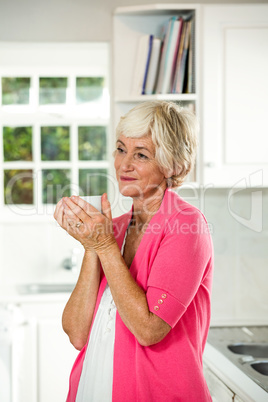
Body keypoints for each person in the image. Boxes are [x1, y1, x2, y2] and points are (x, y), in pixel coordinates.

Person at [54, 101, 214, 402]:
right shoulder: (112, 228)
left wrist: (103, 246)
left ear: (173, 164)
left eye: (141, 154)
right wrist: (92, 246)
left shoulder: (187, 226)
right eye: (120, 149)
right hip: (95, 386)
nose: (123, 164)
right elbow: (77, 333)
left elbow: (149, 329)